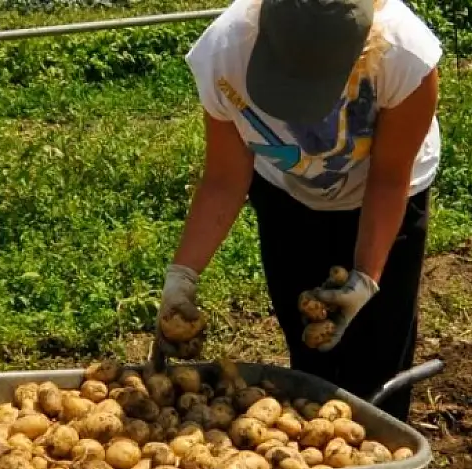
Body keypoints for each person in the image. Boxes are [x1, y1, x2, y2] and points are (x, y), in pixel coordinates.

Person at [155, 0, 441, 420]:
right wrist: (181, 278)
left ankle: (382, 446)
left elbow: (388, 179)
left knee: (379, 349)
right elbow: (224, 179)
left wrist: (365, 277)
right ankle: (311, 441)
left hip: (383, 193)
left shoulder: (405, 56)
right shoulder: (225, 52)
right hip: (286, 193)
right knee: (307, 343)